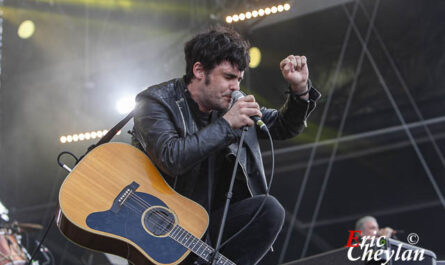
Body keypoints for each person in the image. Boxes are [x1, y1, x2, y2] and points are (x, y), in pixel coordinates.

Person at [132, 26, 320, 265]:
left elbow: (283, 127)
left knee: (269, 209)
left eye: (239, 79)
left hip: (210, 226)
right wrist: (225, 124)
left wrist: (300, 90)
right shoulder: (156, 101)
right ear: (199, 70)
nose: (236, 88)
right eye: (229, 77)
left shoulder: (228, 106)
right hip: (165, 224)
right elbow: (171, 158)